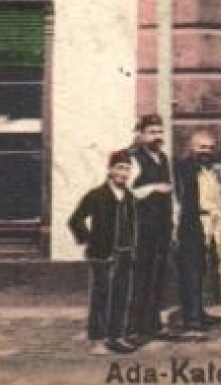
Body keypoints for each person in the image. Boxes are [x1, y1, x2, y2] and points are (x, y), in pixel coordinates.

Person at [68, 149, 138, 355]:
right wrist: (90, 240)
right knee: (101, 296)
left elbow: (133, 226)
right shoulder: (97, 195)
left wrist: (132, 246)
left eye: (126, 169)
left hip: (124, 254)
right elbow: (75, 220)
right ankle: (97, 339)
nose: (123, 173)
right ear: (110, 170)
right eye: (119, 168)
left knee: (121, 295)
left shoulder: (130, 198)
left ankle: (117, 336)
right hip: (102, 255)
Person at [125, 113, 174, 343]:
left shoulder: (163, 158)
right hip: (140, 226)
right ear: (141, 133)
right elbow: (126, 192)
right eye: (152, 132)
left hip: (161, 226)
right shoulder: (132, 158)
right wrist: (154, 187)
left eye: (160, 132)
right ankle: (133, 328)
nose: (157, 136)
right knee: (140, 275)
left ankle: (152, 324)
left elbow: (170, 191)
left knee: (158, 274)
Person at [173, 129, 221, 334]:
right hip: (191, 224)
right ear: (192, 147)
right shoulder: (185, 168)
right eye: (202, 147)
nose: (207, 151)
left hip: (208, 225)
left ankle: (199, 311)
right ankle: (192, 317)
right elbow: (181, 199)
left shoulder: (208, 170)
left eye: (210, 148)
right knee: (191, 269)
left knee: (201, 269)